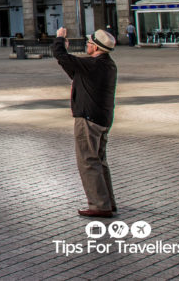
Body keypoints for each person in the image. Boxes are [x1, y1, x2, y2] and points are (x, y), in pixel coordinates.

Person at [53, 27, 117, 218]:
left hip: (88, 119)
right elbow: (73, 69)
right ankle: (108, 202)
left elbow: (61, 56)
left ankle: (99, 205)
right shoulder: (108, 64)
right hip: (102, 119)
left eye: (89, 43)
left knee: (88, 161)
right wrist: (64, 50)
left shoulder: (92, 65)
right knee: (100, 161)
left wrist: (59, 39)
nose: (86, 46)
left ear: (96, 48)